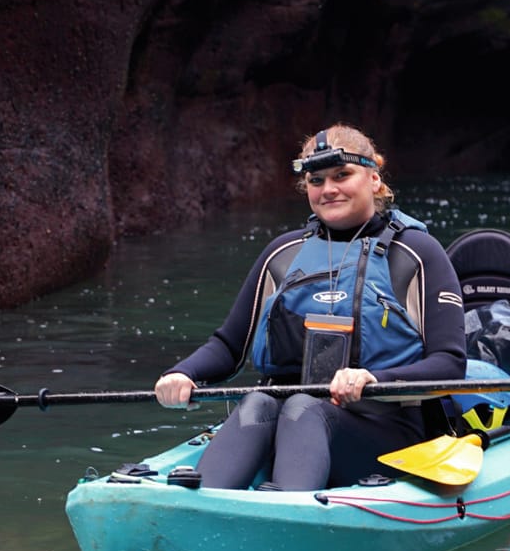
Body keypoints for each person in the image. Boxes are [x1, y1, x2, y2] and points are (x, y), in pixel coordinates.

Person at [153, 125, 468, 491]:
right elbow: (229, 346)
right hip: (291, 423)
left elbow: (449, 363)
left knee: (303, 406)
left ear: (375, 179)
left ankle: (287, 512)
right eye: (316, 180)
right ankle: (198, 506)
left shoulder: (417, 253)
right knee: (260, 401)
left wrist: (373, 379)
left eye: (342, 175)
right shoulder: (282, 255)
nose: (328, 189)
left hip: (389, 432)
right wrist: (182, 373)